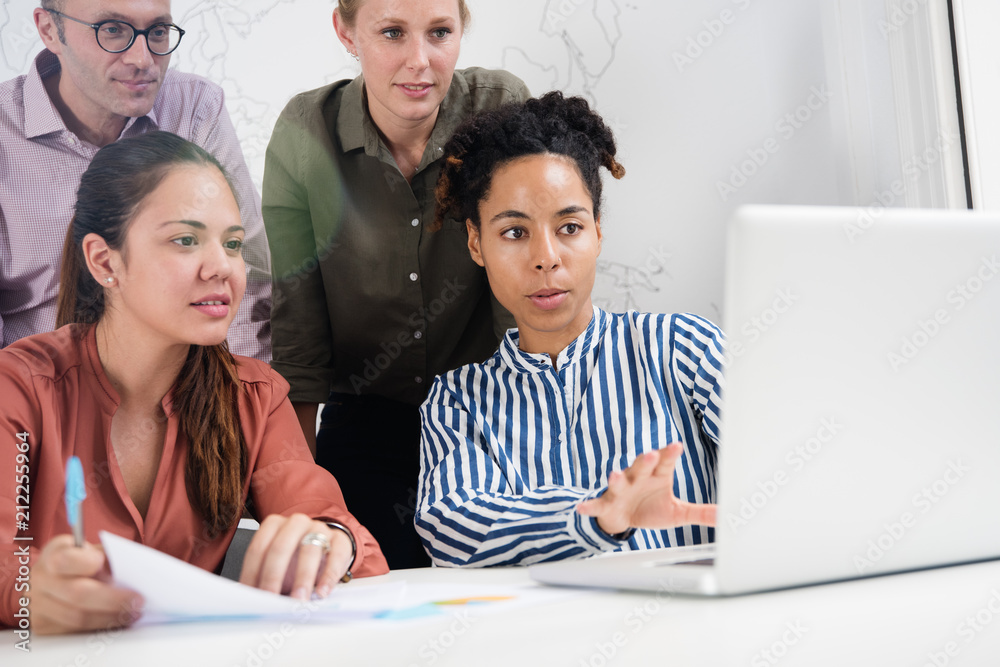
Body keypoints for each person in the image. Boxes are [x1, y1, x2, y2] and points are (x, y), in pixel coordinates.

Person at [0, 132, 387, 634]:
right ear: (104, 261)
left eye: (232, 243)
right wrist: (29, 589)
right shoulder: (22, 387)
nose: (222, 267)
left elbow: (330, 523)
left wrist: (328, 541)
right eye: (185, 240)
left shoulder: (255, 396)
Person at [263, 0, 530, 569]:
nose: (420, 61)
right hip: (367, 415)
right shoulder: (304, 132)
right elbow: (299, 334)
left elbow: (527, 292)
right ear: (346, 31)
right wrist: (299, 502)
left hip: (494, 411)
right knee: (365, 585)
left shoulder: (501, 108)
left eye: (440, 33)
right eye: (391, 32)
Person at [415, 92, 725, 567]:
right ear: (477, 244)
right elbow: (452, 529)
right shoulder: (459, 401)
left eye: (570, 227)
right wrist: (595, 518)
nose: (547, 257)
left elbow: (782, 467)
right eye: (514, 232)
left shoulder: (684, 349)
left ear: (598, 231)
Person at [0, 0, 271, 359]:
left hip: (184, 394)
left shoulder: (195, 109)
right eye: (112, 30)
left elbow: (247, 276)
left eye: (157, 31)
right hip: (34, 393)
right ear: (50, 29)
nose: (143, 60)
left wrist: (239, 399)